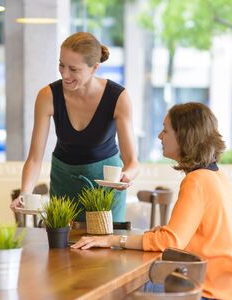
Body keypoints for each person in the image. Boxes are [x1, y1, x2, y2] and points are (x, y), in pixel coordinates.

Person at [71, 102, 232, 300]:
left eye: (165, 130)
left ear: (185, 136)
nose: (160, 136)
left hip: (211, 290)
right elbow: (188, 236)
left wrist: (111, 240)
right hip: (230, 287)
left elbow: (170, 241)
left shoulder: (198, 180)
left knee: (121, 290)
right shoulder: (215, 176)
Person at [10, 32, 139, 221]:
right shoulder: (48, 96)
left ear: (94, 68)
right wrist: (25, 193)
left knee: (105, 246)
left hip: (106, 188)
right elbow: (35, 158)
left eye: (73, 69)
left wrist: (126, 176)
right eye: (61, 64)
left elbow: (132, 162)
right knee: (61, 246)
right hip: (64, 182)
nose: (64, 74)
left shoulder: (118, 97)